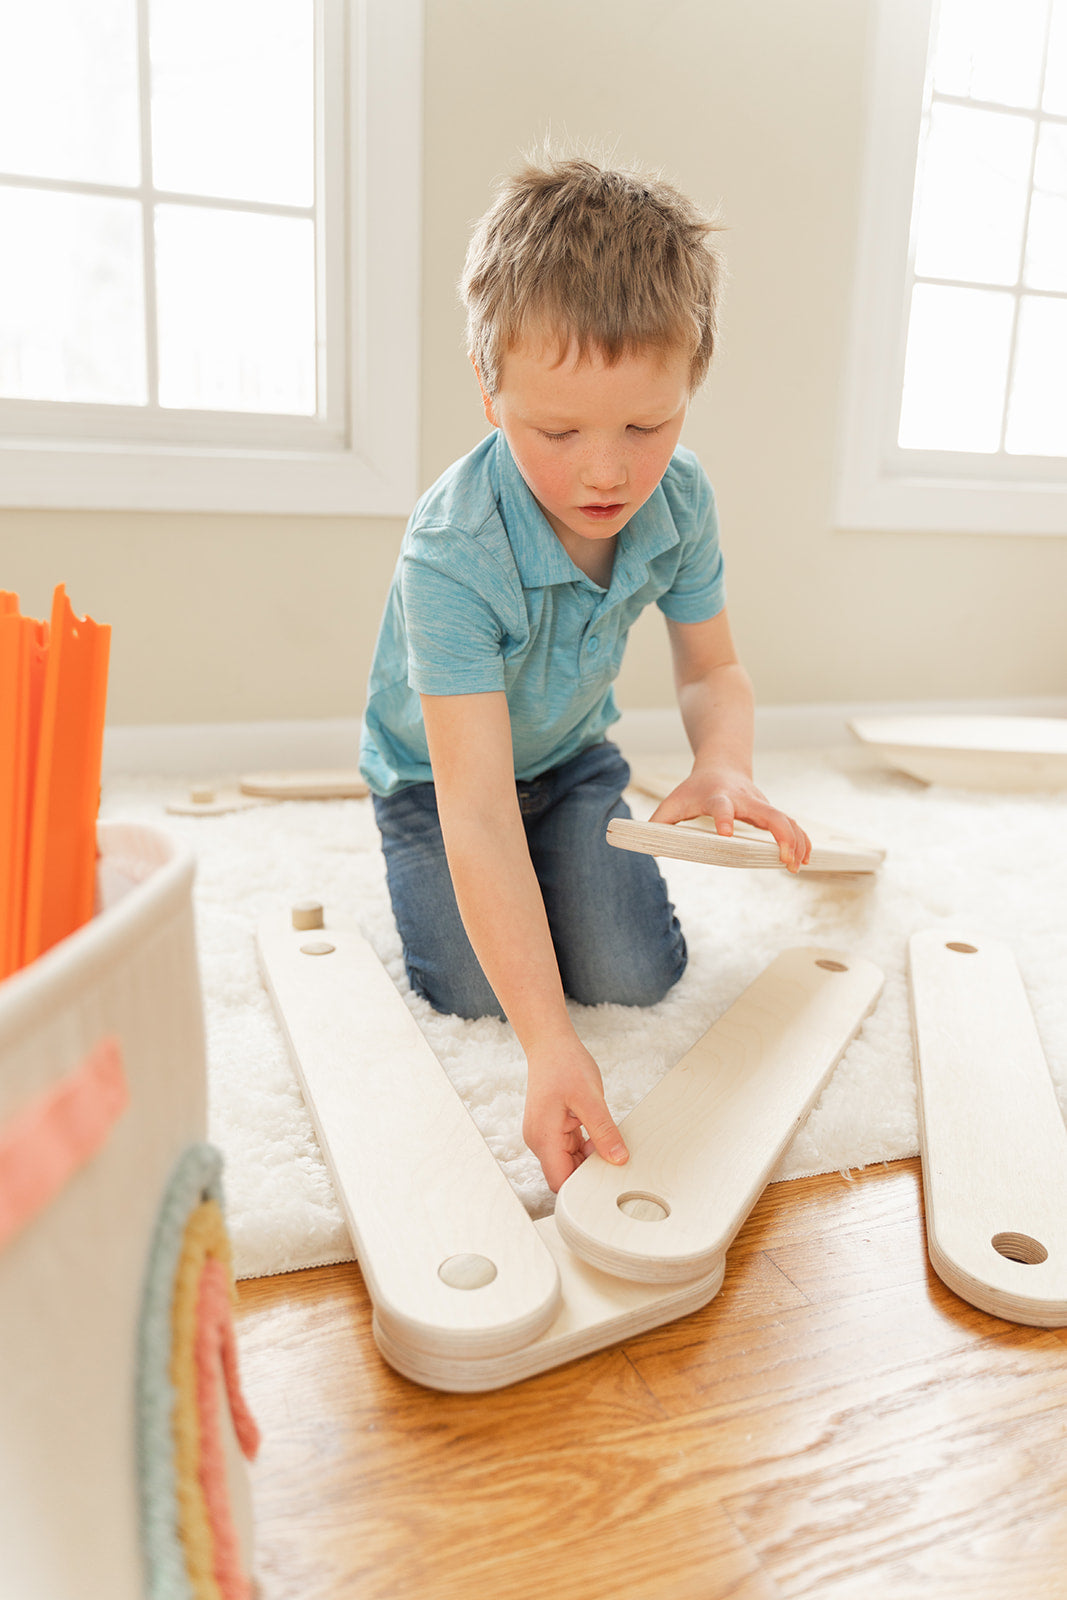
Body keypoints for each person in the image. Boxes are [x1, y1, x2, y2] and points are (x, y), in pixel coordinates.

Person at [359, 154, 811, 1193]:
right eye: (557, 431)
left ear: (689, 383)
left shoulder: (681, 503)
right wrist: (549, 1048)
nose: (603, 471)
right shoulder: (451, 552)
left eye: (644, 426)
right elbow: (475, 813)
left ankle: (558, 889)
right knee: (482, 997)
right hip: (438, 788)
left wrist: (724, 761)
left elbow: (712, 666)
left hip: (567, 760)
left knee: (633, 975)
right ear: (490, 395)